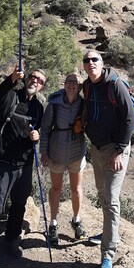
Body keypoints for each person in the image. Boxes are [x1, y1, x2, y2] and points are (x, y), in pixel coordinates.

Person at [0, 66, 46, 268]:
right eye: (32, 77)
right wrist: (11, 78)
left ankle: (12, 238)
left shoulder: (39, 107)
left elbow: (37, 128)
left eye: (40, 80)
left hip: (24, 164)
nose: (35, 81)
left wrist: (35, 135)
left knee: (19, 203)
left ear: (42, 86)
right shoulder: (10, 95)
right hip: (2, 161)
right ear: (26, 78)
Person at [82, 50, 134, 268]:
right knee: (102, 193)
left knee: (111, 198)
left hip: (115, 150)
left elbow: (129, 117)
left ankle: (108, 253)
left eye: (95, 59)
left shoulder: (115, 85)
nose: (91, 62)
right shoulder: (88, 86)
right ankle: (108, 233)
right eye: (87, 60)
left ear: (102, 63)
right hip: (96, 148)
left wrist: (119, 150)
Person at [40, 72, 87, 246]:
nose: (72, 84)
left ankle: (76, 220)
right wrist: (43, 152)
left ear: (80, 86)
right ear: (64, 83)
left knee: (76, 188)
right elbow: (45, 129)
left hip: (76, 151)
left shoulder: (84, 104)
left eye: (75, 82)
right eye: (69, 81)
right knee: (56, 187)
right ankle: (53, 223)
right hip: (56, 151)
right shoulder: (54, 103)